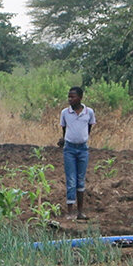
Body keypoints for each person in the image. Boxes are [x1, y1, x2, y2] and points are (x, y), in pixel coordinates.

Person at [58, 87, 93, 220]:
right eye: (69, 97)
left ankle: (80, 212)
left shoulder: (88, 112)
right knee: (71, 180)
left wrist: (82, 138)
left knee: (80, 180)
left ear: (80, 98)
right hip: (69, 150)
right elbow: (65, 130)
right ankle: (70, 212)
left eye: (73, 97)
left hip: (83, 149)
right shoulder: (65, 113)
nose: (70, 99)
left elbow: (89, 128)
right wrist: (64, 140)